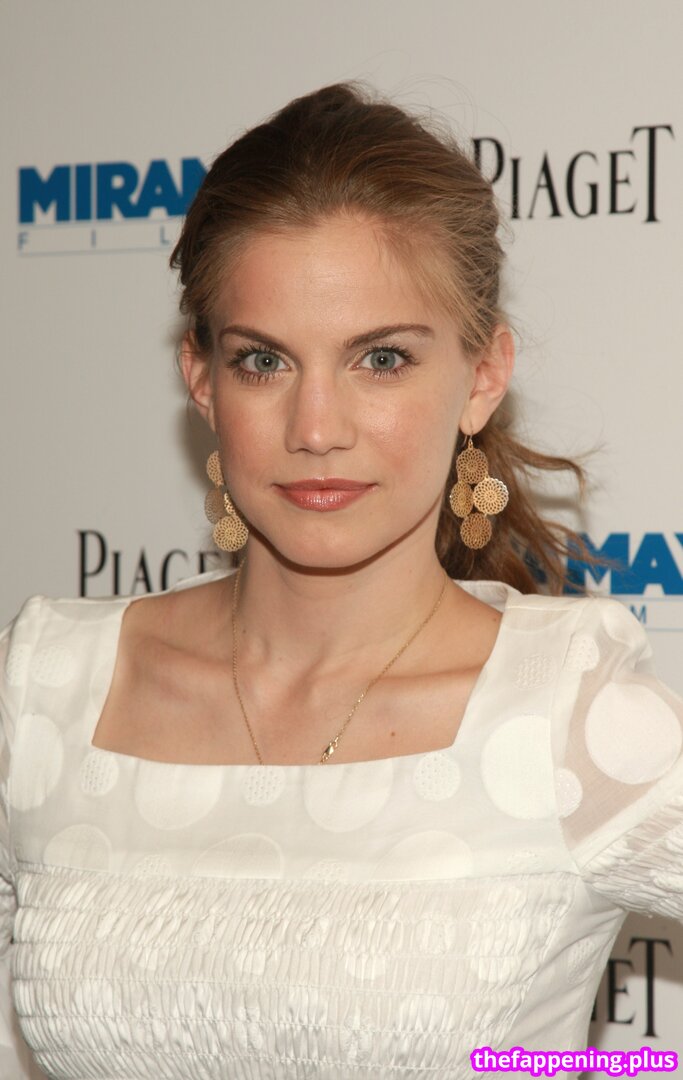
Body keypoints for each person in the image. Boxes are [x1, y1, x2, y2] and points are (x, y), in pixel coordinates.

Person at [1, 80, 682, 1080]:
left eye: (380, 359)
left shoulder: (567, 716)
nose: (315, 429)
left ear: (481, 377)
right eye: (263, 362)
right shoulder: (43, 691)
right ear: (201, 379)